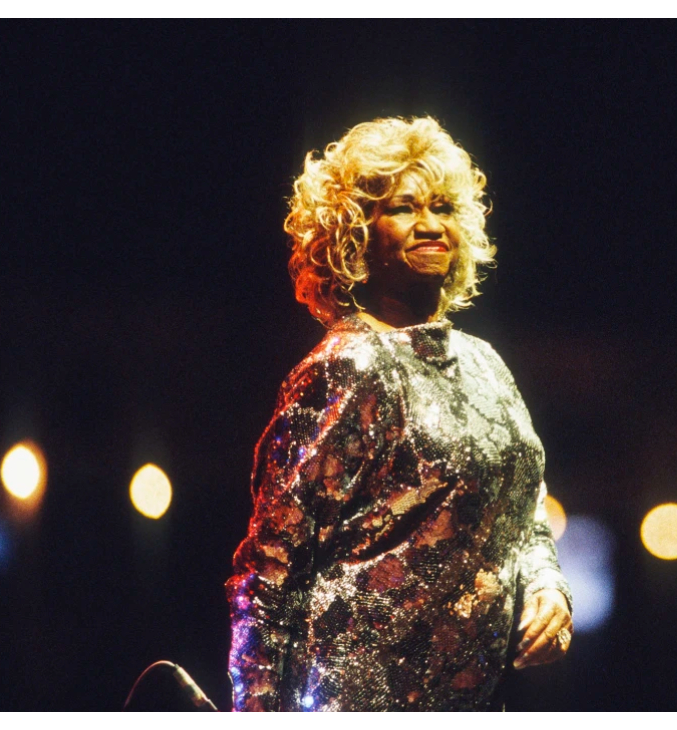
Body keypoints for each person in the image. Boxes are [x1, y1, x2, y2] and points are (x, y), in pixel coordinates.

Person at [226, 117, 572, 711]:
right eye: (405, 208)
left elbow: (528, 515)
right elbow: (270, 572)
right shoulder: (346, 367)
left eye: (442, 206)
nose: (431, 224)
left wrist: (547, 588)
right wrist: (254, 712)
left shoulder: (486, 365)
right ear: (356, 237)